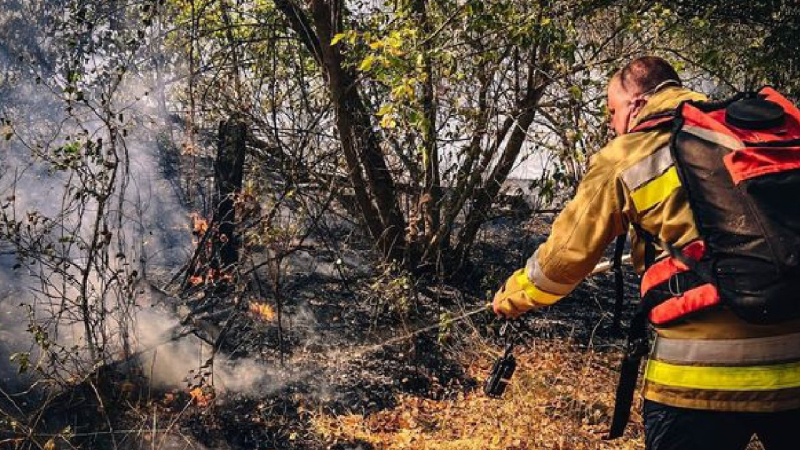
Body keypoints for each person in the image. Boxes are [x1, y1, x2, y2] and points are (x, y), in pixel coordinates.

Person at [492, 56, 800, 450]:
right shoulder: (752, 136)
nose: (610, 123)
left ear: (637, 104)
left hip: (695, 383)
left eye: (612, 110)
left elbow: (562, 262)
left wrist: (512, 297)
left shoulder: (629, 154)